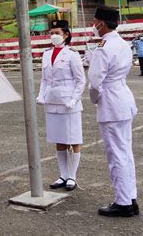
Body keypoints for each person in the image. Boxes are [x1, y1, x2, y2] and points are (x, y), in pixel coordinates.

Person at [88, 6, 139, 217]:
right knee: (125, 152)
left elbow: (94, 82)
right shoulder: (122, 44)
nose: (93, 26)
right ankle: (130, 197)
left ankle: (123, 202)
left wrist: (95, 100)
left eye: (95, 22)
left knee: (116, 154)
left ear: (102, 23)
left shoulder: (104, 47)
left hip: (111, 102)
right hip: (124, 98)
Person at [37, 20, 86, 192]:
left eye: (57, 32)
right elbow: (45, 79)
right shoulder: (46, 54)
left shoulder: (72, 54)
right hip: (52, 101)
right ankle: (63, 174)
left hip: (68, 102)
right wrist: (41, 95)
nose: (53, 36)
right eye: (51, 32)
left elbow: (81, 80)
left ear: (66, 34)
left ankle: (72, 176)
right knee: (59, 139)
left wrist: (74, 99)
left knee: (73, 139)